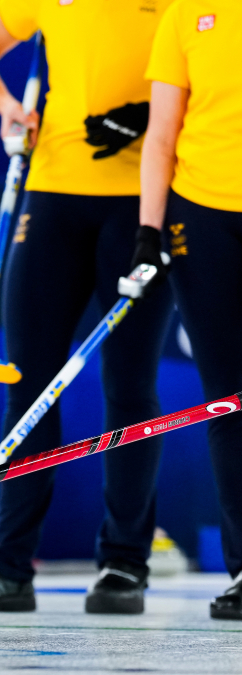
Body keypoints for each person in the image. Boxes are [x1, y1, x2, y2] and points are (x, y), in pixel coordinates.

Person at [0, 1, 175, 615]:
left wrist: (151, 114)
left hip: (143, 205)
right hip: (52, 198)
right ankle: (7, 567)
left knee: (129, 390)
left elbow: (220, 84)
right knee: (28, 386)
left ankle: (124, 566)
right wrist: (8, 108)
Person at [137, 0, 242, 621]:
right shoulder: (187, 14)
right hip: (201, 217)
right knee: (229, 397)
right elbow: (163, 131)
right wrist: (149, 230)